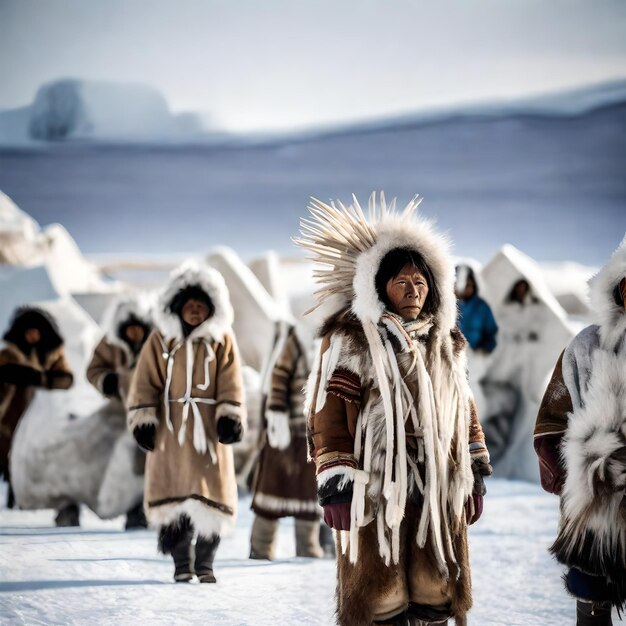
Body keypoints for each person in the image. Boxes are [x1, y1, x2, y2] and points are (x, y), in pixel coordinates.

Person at [295, 193, 491, 626]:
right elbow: (328, 412)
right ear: (379, 286)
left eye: (421, 283)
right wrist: (335, 479)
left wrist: (474, 471)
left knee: (435, 588)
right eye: (402, 282)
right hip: (375, 485)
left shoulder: (445, 342)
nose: (413, 290)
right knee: (380, 595)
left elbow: (463, 406)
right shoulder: (352, 338)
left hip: (438, 480)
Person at [127, 262, 246, 583]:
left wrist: (230, 417)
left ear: (212, 309)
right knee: (173, 498)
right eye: (189, 305)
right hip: (171, 433)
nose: (195, 311)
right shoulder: (160, 340)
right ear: (177, 308)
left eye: (201, 305)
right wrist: (143, 420)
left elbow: (231, 381)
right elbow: (144, 382)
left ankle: (205, 564)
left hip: (209, 435)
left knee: (213, 499)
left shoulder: (222, 340)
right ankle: (182, 564)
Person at [534, 237, 626, 626]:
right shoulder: (586, 345)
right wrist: (561, 469)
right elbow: (554, 413)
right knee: (592, 595)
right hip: (595, 494)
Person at [249, 320, 323, 560]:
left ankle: (308, 548)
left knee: (309, 495)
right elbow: (278, 377)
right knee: (272, 489)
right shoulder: (295, 342)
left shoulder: (329, 346)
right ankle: (260, 548)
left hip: (312, 436)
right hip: (285, 434)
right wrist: (277, 413)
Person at [86, 295, 152, 529]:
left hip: (151, 413)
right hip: (119, 413)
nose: (135, 334)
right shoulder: (110, 343)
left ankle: (145, 510)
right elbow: (93, 368)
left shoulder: (156, 342)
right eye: (130, 329)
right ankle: (129, 508)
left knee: (147, 463)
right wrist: (109, 381)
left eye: (138, 329)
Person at [0, 307, 73, 509]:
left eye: (36, 331)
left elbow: (67, 379)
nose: (32, 335)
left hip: (45, 415)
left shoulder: (53, 356)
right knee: (13, 455)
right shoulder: (9, 355)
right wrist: (23, 376)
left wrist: (43, 379)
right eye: (28, 331)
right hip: (12, 415)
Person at [454, 264, 498, 354]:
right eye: (464, 284)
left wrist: (485, 349)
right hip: (450, 356)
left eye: (470, 284)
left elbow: (491, 331)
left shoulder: (481, 306)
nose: (467, 288)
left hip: (474, 356)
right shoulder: (446, 304)